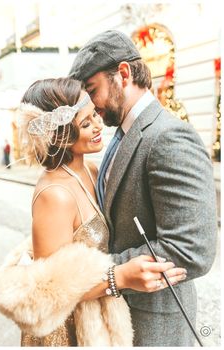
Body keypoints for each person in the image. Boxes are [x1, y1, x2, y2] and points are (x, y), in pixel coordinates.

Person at [0, 77, 187, 347]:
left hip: (98, 320)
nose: (98, 126)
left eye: (94, 114)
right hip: (66, 332)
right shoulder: (55, 195)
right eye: (85, 124)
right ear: (59, 136)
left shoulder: (91, 169)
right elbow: (46, 290)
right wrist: (119, 276)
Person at [69, 30, 218, 346]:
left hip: (155, 325)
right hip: (118, 320)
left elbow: (192, 249)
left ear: (123, 74)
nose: (92, 105)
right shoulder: (121, 133)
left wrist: (99, 274)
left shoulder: (168, 137)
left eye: (93, 90)